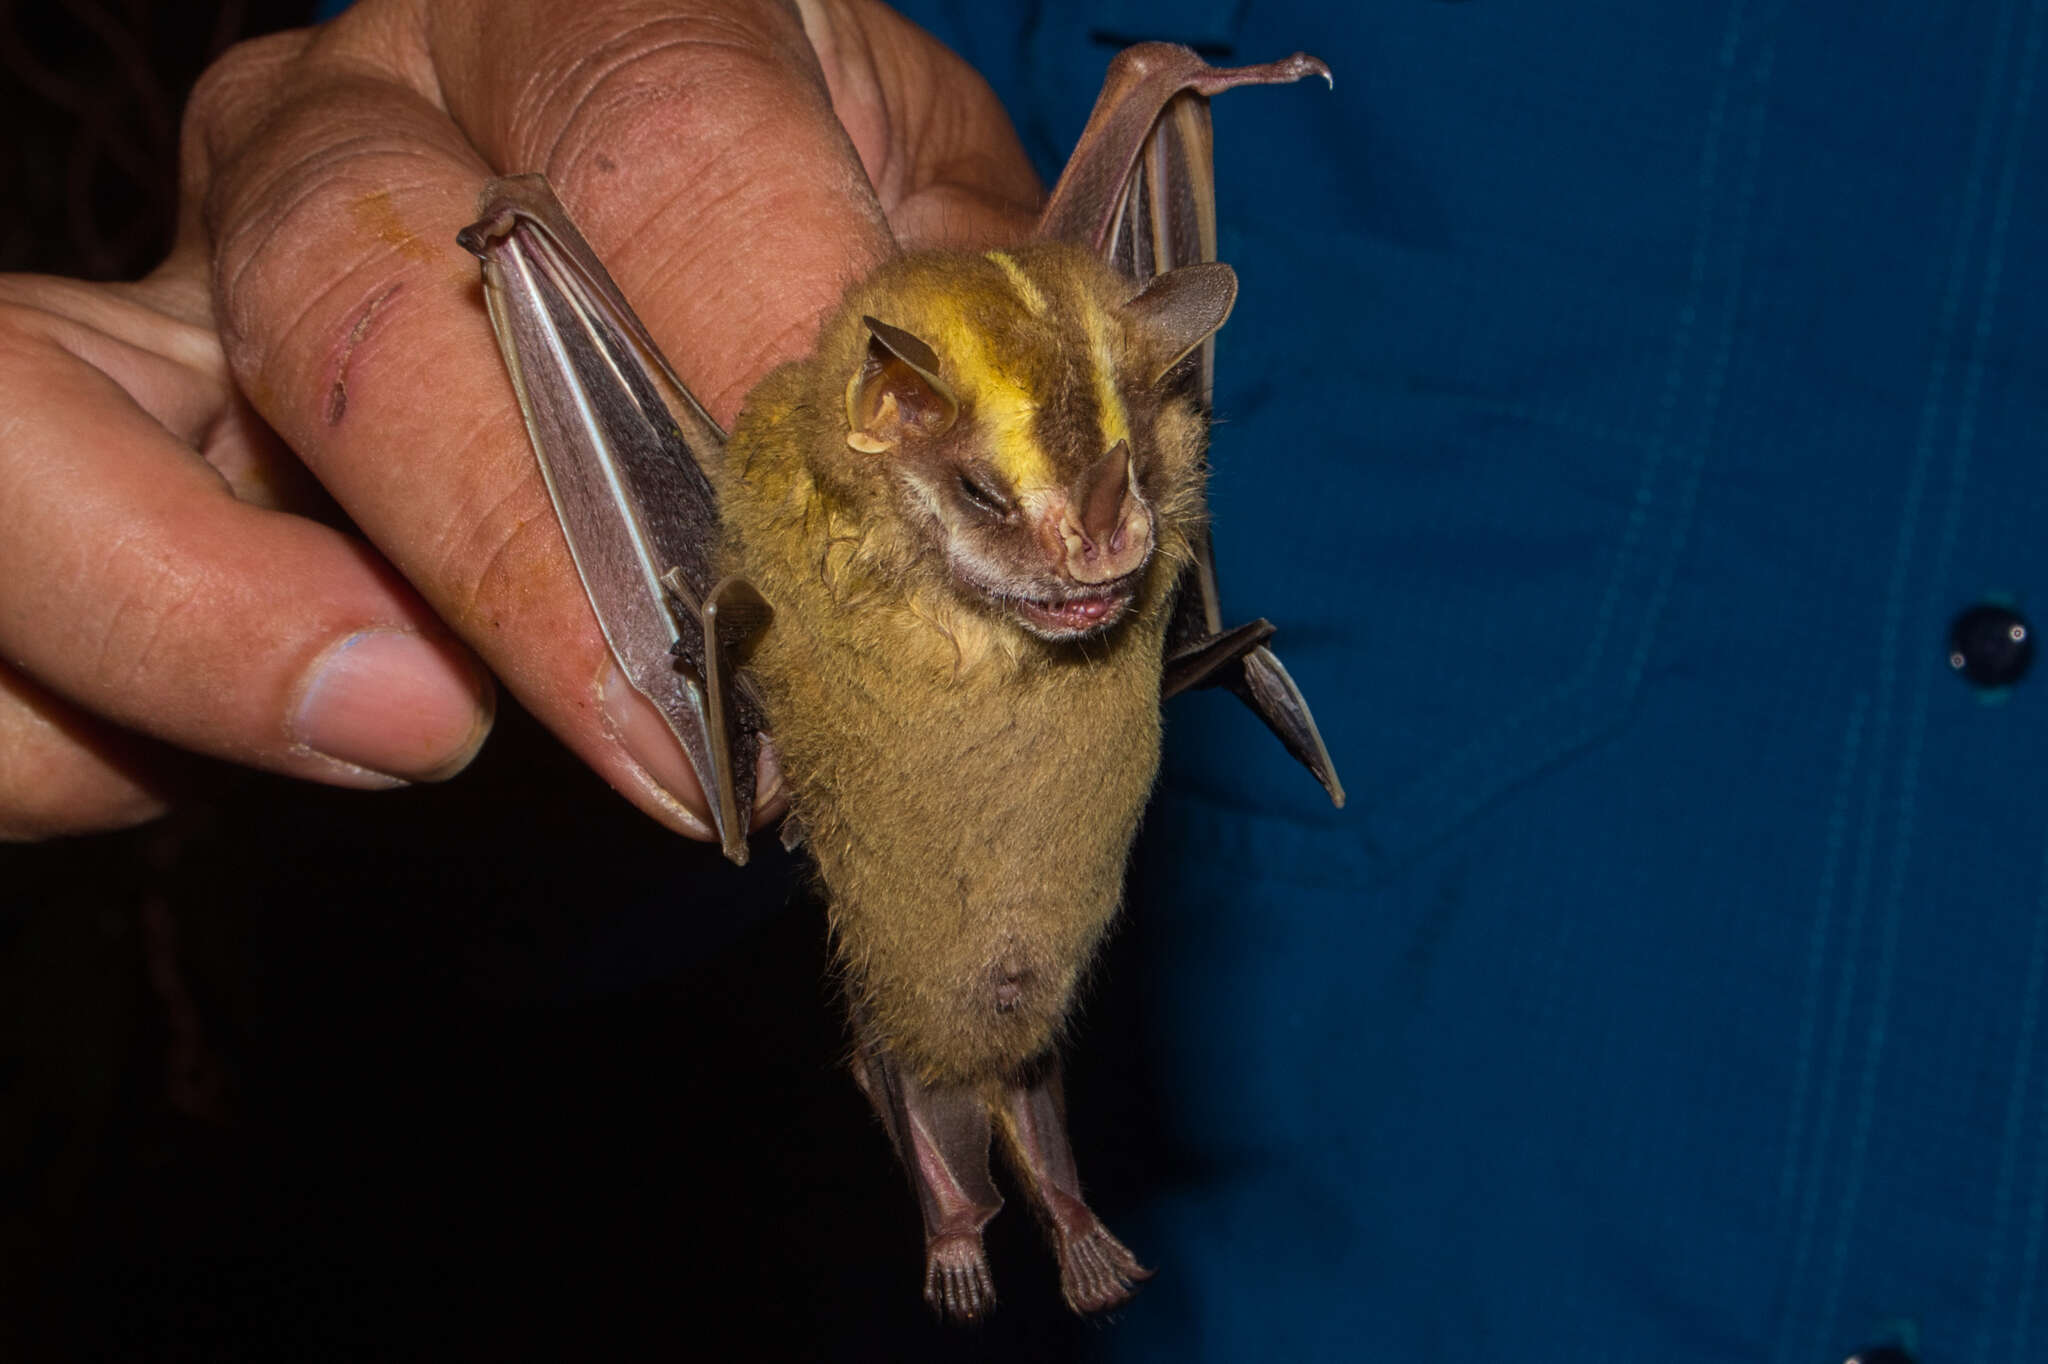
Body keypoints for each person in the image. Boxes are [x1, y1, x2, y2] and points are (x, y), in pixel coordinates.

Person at [6, 1, 2045, 1360]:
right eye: (1033, 516)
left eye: (1124, 500)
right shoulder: (813, 479)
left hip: (1184, 1072)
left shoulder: (1128, 439)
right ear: (897, 449)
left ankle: (1024, 1190)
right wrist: (346, 452)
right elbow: (518, 964)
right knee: (936, 1019)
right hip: (837, 889)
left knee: (1035, 1018)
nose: (1096, 557)